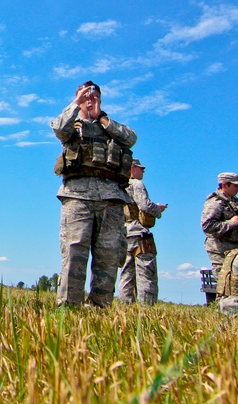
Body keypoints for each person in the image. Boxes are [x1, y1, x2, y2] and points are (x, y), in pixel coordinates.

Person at [51, 80, 136, 307]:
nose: (90, 100)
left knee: (108, 256)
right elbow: (58, 128)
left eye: (94, 96)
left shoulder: (111, 127)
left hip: (111, 199)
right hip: (78, 197)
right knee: (74, 252)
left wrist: (103, 119)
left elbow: (131, 138)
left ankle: (100, 307)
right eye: (85, 96)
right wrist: (75, 103)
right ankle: (68, 307)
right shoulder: (72, 124)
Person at [117, 159, 167, 305]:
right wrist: (158, 209)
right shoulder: (137, 184)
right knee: (146, 272)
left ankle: (124, 307)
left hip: (125, 233)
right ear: (132, 169)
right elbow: (145, 205)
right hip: (139, 233)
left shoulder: (119, 186)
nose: (143, 171)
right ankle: (148, 308)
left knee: (126, 273)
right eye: (140, 168)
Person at [201, 172, 238, 281]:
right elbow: (207, 226)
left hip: (234, 247)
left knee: (237, 282)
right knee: (225, 282)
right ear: (225, 185)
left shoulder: (232, 201)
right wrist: (231, 223)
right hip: (220, 249)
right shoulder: (215, 202)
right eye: (236, 186)